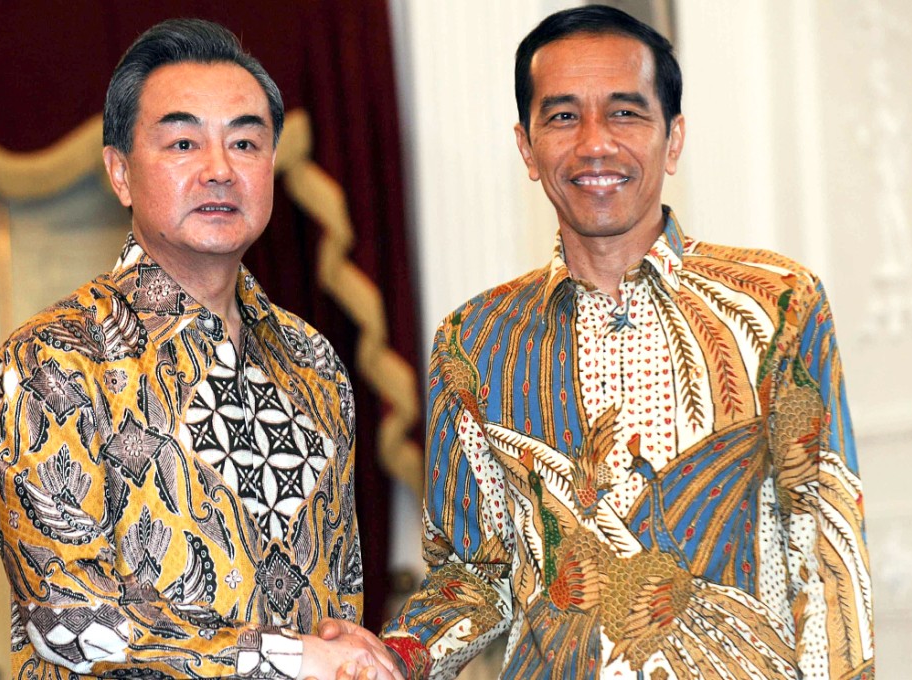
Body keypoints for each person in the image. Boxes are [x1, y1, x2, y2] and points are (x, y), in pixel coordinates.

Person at [322, 5, 875, 679]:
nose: (594, 143)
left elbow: (824, 552)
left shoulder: (778, 303)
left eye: (624, 113)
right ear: (527, 147)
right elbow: (473, 573)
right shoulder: (473, 342)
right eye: (562, 117)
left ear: (673, 139)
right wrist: (394, 655)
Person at [0, 18, 402, 680]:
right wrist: (287, 659)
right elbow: (70, 628)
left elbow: (336, 599)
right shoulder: (50, 363)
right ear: (120, 173)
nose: (220, 170)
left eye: (246, 143)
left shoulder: (312, 361)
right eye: (182, 142)